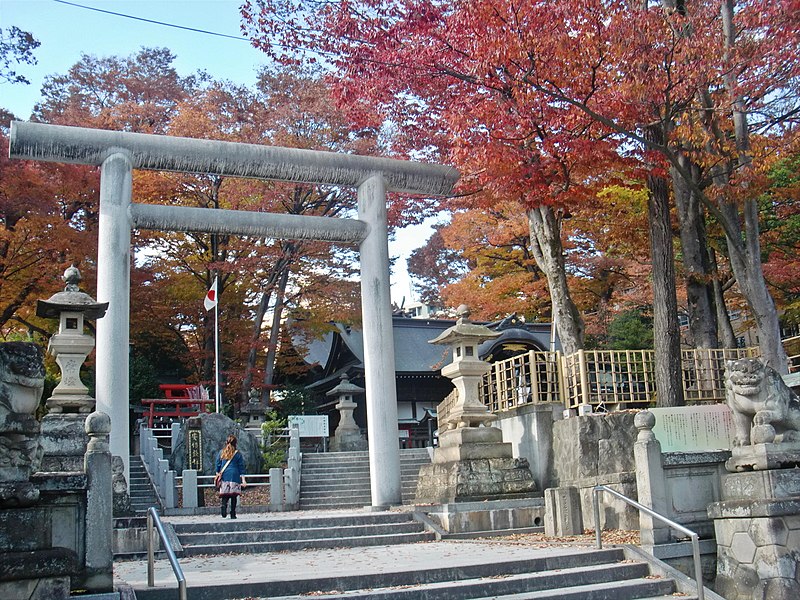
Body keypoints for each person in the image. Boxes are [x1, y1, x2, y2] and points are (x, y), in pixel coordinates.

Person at [216, 434, 246, 519]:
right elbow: (241, 467)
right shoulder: (237, 454)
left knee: (225, 494)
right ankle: (233, 513)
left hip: (225, 475)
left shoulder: (221, 452)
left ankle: (223, 506)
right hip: (234, 475)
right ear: (235, 443)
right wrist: (243, 480)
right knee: (233, 496)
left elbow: (217, 465)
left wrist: (217, 474)